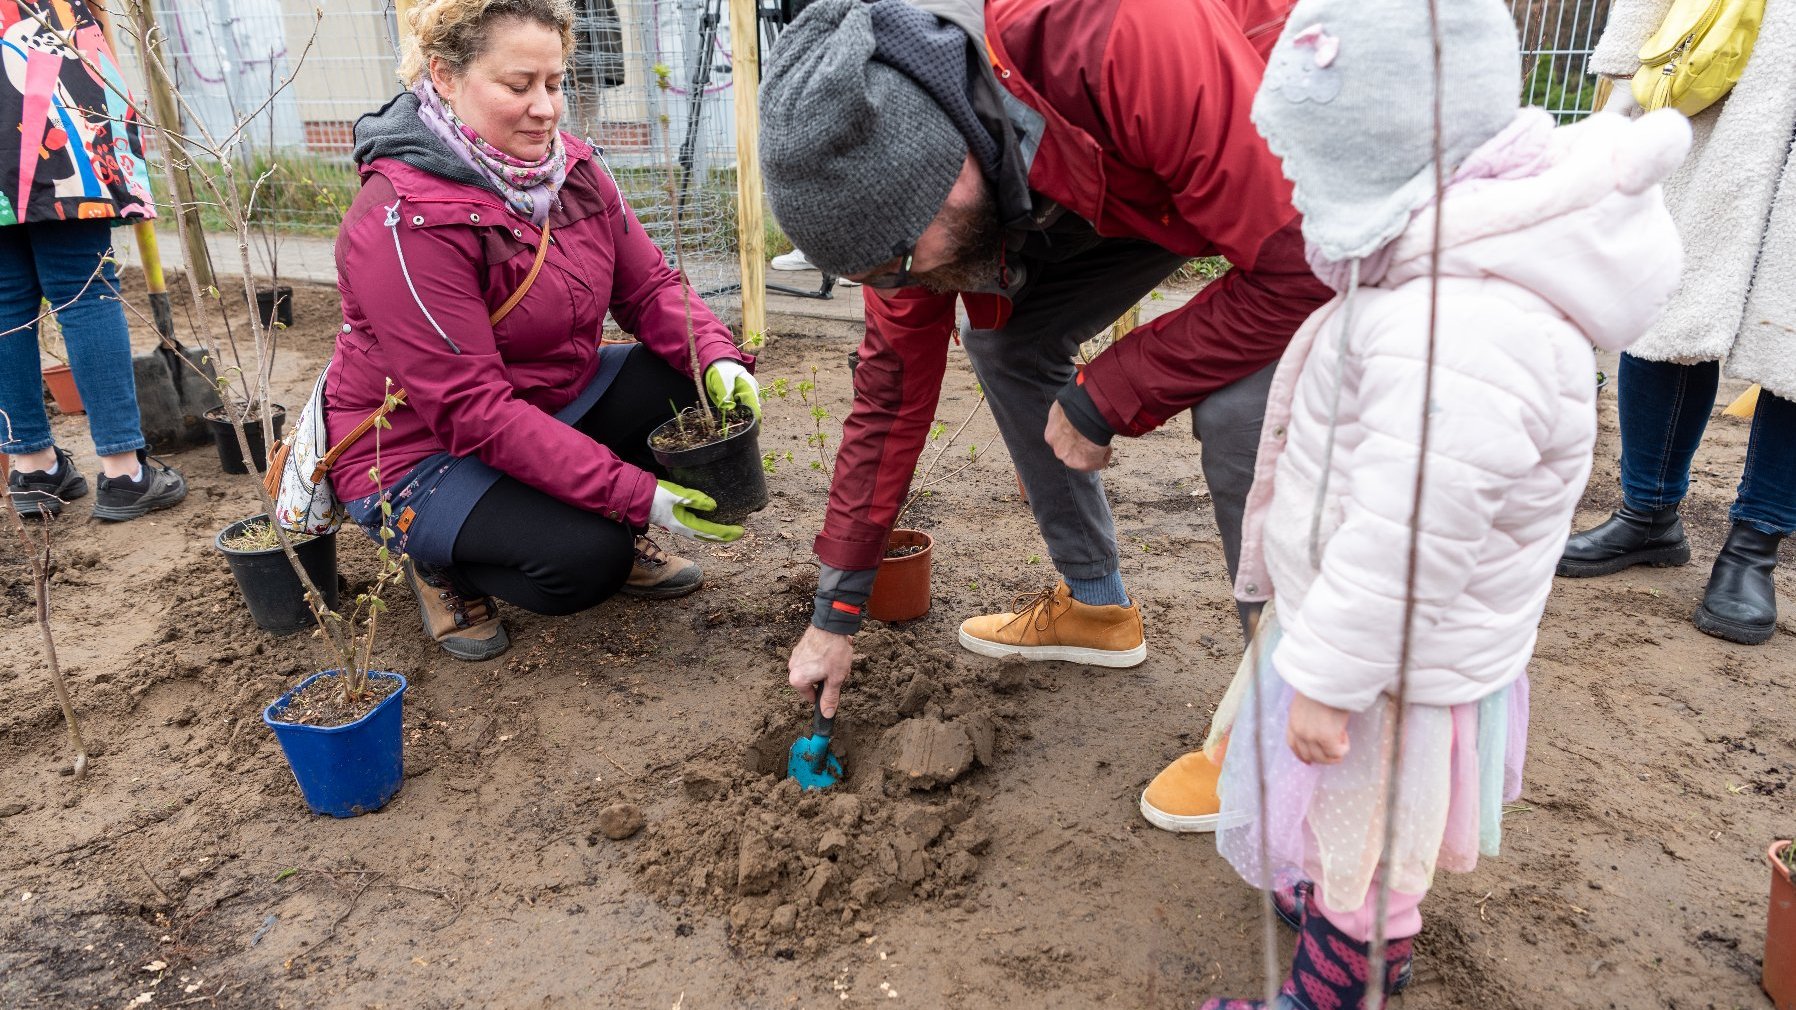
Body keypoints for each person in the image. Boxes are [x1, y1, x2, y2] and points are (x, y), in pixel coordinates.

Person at [1194, 0, 1690, 1004]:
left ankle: (1340, 982)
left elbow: (1412, 529)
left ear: (1380, 161)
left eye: (1313, 166)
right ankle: (1340, 908)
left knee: (1370, 835)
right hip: (1373, 634)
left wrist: (1331, 675)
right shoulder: (1433, 273)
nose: (1295, 191)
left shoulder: (1462, 322)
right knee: (1350, 819)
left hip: (1391, 660)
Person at [759, 0, 1333, 829]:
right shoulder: (904, 201)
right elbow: (887, 403)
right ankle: (1097, 607)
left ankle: (1289, 726)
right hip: (1121, 173)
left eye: (896, 261)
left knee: (1248, 411)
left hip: (1299, 141)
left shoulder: (1120, 35)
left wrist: (1113, 392)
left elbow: (1301, 264)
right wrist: (834, 612)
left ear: (944, 160)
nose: (898, 284)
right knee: (1004, 337)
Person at [326, 0, 758, 661]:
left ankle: (555, 508)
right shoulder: (404, 220)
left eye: (554, 84)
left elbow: (646, 289)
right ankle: (441, 560)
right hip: (419, 451)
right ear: (443, 76)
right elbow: (471, 410)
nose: (547, 108)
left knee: (683, 383)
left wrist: (716, 359)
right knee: (587, 560)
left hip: (539, 404)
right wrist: (635, 496)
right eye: (518, 85)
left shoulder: (572, 171)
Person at [1557, 0, 1796, 646]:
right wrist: (1624, 78)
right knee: (1665, 297)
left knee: (1791, 346)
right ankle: (1648, 512)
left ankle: (1754, 547)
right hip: (1718, 75)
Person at [1, 0, 188, 521]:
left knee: (4, 297)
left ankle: (33, 468)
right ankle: (125, 473)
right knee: (83, 289)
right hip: (43, 61)